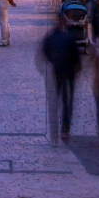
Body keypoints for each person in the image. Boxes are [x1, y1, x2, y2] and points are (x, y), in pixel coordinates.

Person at [38, 13, 81, 144]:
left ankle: (55, 131)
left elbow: (45, 52)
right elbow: (76, 57)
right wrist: (76, 67)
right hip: (69, 72)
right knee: (67, 100)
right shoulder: (69, 38)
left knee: (56, 100)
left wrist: (53, 62)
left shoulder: (50, 38)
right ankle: (65, 128)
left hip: (57, 71)